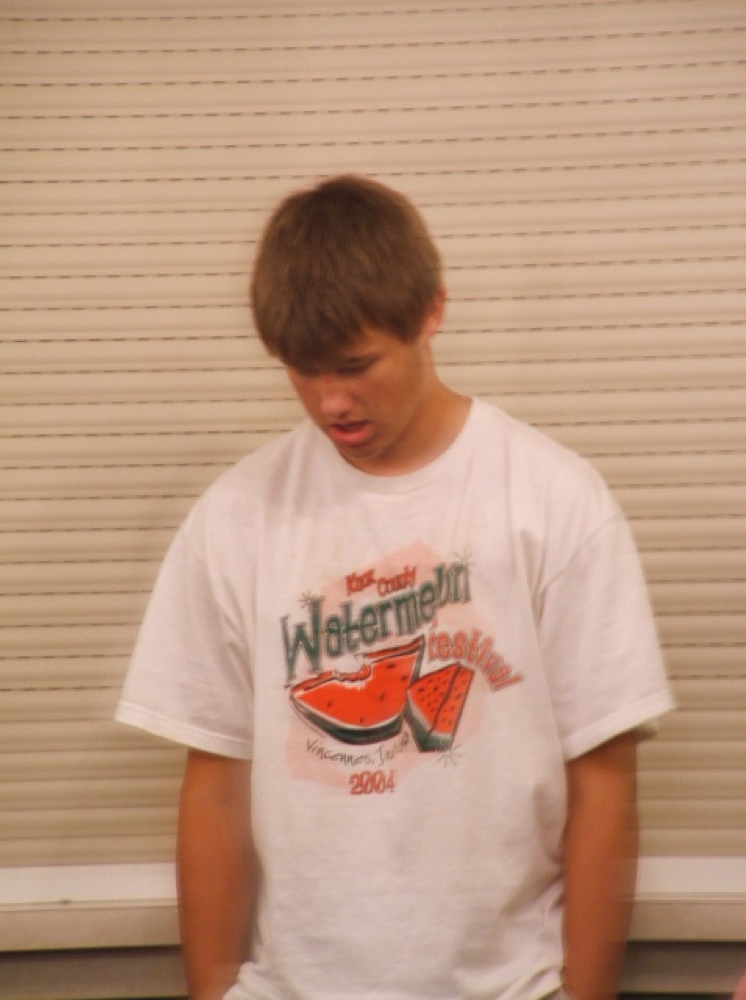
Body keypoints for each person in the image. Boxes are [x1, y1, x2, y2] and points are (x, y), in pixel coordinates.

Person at [116, 174, 674, 1000]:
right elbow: (215, 788)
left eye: (356, 366)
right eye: (302, 370)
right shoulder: (234, 518)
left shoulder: (554, 500)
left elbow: (604, 778)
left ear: (430, 312)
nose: (330, 402)